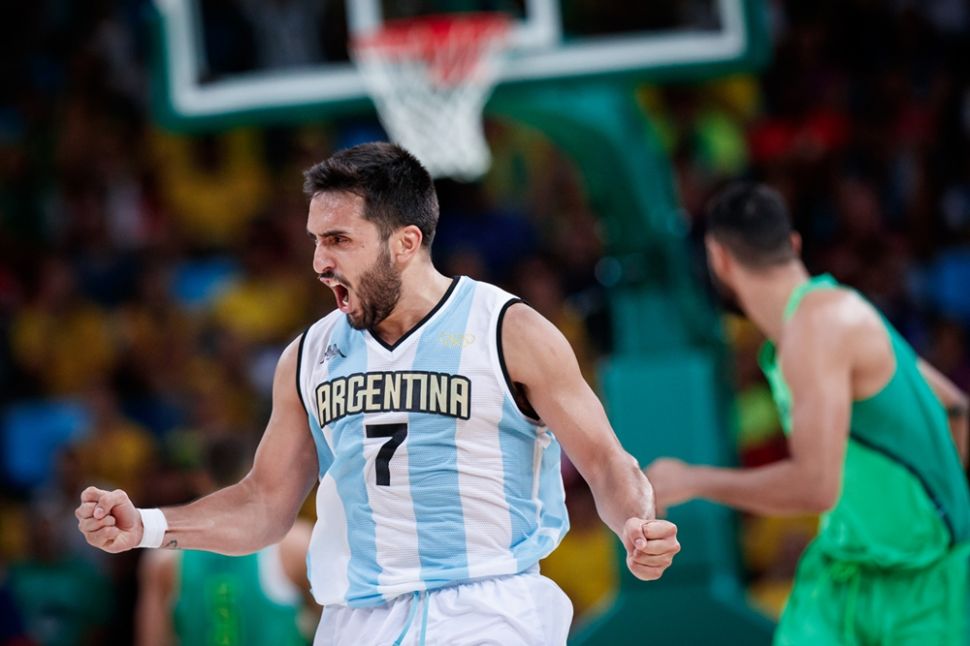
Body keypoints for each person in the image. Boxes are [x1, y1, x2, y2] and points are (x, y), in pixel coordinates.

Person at [77, 142, 679, 645]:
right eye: (316, 240)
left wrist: (635, 522)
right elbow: (263, 504)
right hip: (356, 620)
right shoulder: (308, 356)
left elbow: (606, 461)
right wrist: (146, 526)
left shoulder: (508, 329)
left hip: (485, 607)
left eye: (339, 239)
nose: (319, 261)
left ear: (405, 242)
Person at [646, 183, 970, 645]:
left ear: (719, 259)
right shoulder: (836, 311)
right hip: (848, 569)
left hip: (922, 589)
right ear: (793, 244)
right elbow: (955, 407)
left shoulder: (817, 326)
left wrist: (693, 480)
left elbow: (816, 486)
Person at [135, 435, 315, 646]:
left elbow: (152, 641)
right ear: (252, 471)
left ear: (199, 478)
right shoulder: (295, 545)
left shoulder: (164, 560)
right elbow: (336, 629)